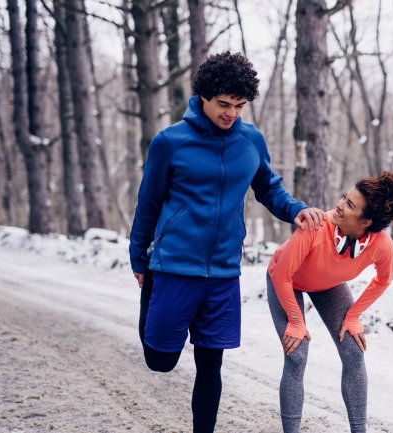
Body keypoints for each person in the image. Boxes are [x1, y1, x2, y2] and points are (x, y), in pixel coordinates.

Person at [128, 51, 324, 433]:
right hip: (173, 267)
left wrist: (295, 210)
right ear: (203, 95)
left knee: (211, 363)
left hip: (222, 272)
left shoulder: (250, 141)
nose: (231, 113)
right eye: (223, 104)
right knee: (160, 361)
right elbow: (148, 202)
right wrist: (140, 259)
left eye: (239, 105)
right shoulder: (170, 142)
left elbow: (268, 186)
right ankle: (150, 300)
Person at [267, 171, 393, 433]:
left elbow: (382, 281)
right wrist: (295, 320)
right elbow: (283, 276)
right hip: (285, 281)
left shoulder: (382, 246)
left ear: (366, 221)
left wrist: (352, 316)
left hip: (328, 285)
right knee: (297, 354)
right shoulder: (314, 226)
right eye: (343, 197)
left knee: (353, 351)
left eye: (350, 205)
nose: (338, 205)